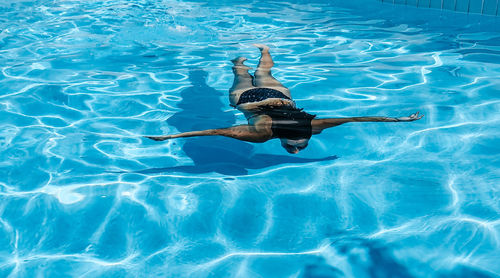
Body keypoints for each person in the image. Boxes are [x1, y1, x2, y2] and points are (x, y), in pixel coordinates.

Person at [146, 44, 423, 154]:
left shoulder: (316, 125)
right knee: (242, 73)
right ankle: (237, 62)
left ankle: (263, 47)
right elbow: (216, 130)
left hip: (280, 97)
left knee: (264, 70)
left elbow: (357, 118)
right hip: (247, 100)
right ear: (283, 140)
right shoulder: (260, 134)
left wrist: (400, 119)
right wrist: (170, 138)